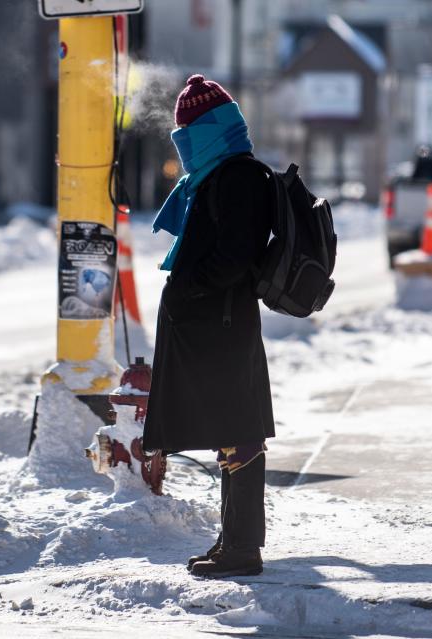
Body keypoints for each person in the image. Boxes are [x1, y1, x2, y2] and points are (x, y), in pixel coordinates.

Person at [142, 74, 274, 579]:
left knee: (239, 433)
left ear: (206, 131)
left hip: (220, 325)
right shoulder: (223, 174)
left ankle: (243, 548)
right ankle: (233, 540)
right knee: (229, 433)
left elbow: (234, 255)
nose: (183, 146)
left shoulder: (238, 176)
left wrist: (191, 284)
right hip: (214, 325)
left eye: (186, 134)